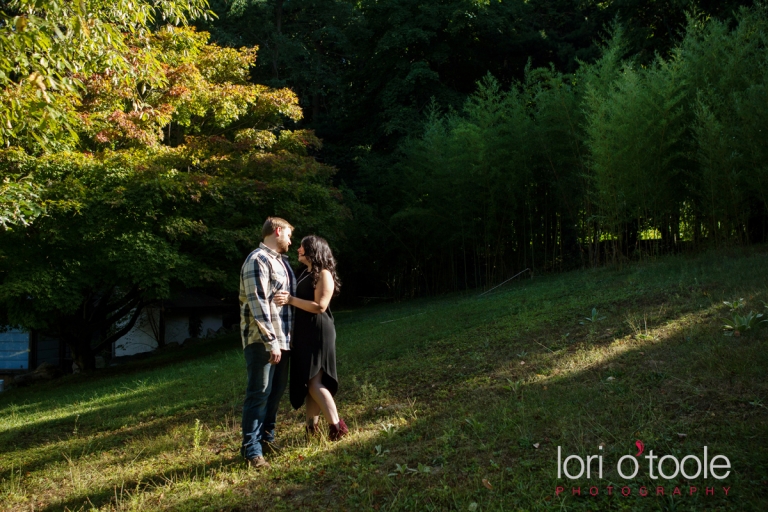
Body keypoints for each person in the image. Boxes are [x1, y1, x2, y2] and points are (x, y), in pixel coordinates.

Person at [273, 235, 348, 441]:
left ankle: (337, 427)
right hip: (304, 332)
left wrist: (290, 300)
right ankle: (311, 431)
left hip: (318, 330)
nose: (298, 249)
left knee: (314, 381)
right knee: (309, 383)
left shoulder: (324, 274)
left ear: (312, 251)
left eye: (302, 247)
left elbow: (320, 306)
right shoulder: (304, 273)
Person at [239, 217, 296, 469]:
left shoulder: (280, 262)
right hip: (262, 341)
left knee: (274, 393)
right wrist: (270, 341)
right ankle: (252, 450)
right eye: (289, 236)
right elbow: (258, 302)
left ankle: (266, 439)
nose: (291, 241)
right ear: (277, 231)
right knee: (259, 394)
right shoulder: (257, 260)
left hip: (282, 340)